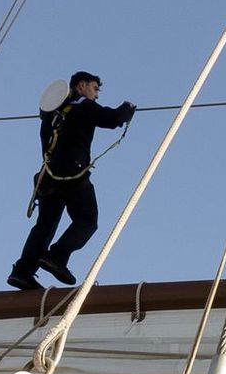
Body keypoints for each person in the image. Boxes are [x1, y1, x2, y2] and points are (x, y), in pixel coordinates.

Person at [10, 71, 137, 291]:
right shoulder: (83, 106)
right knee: (87, 221)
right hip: (73, 174)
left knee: (45, 226)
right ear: (81, 86)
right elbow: (112, 119)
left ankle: (22, 272)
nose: (96, 95)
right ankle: (57, 257)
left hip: (48, 177)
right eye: (94, 89)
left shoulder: (51, 113)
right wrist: (128, 108)